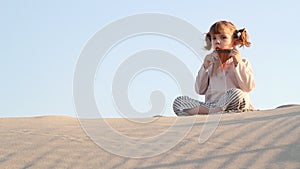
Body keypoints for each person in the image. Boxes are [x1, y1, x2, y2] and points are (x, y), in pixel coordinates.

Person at [173, 20, 255, 115]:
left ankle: (213, 112)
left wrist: (238, 63)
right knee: (179, 102)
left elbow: (248, 87)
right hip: (212, 105)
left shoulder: (243, 63)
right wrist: (205, 67)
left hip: (232, 102)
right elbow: (199, 90)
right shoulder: (210, 65)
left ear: (234, 41)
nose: (217, 41)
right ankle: (216, 112)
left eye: (223, 37)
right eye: (214, 38)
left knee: (238, 94)